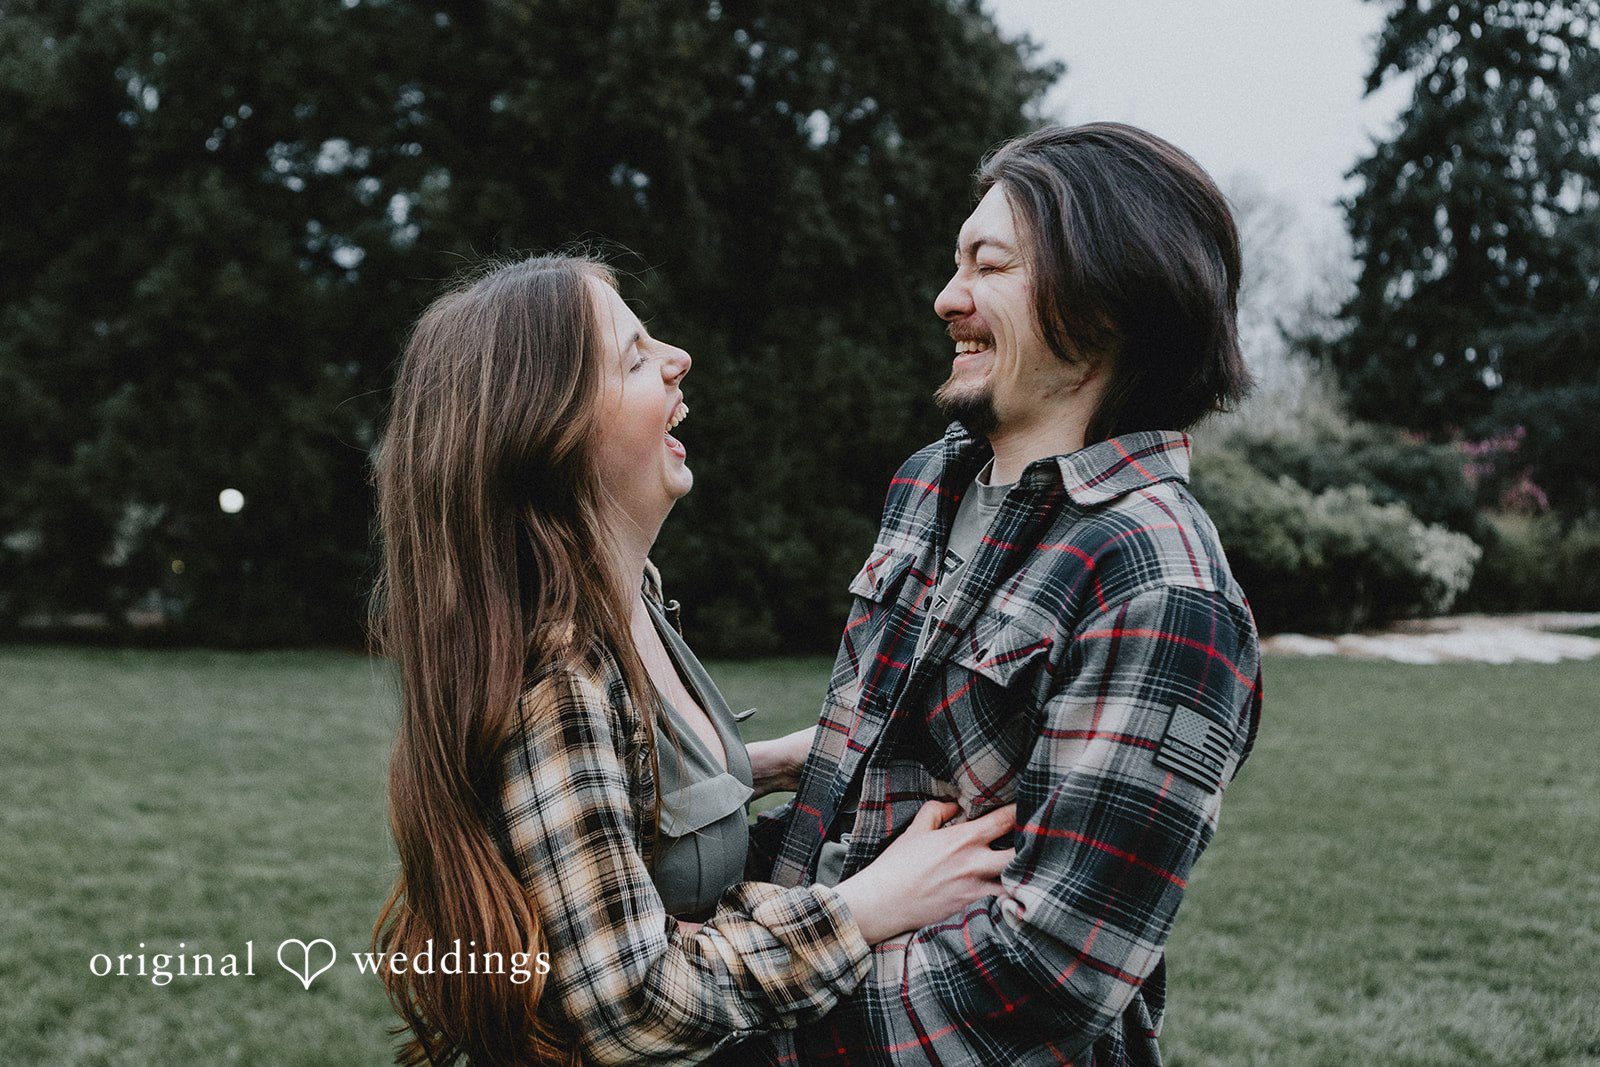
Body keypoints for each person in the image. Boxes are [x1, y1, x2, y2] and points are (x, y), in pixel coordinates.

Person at [368, 255, 1017, 1066]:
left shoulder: (632, 593)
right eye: (635, 358)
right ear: (550, 431)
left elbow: (613, 793)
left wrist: (766, 761)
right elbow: (632, 1003)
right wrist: (864, 906)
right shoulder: (558, 676)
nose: (678, 357)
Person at [740, 122, 1265, 1065]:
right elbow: (858, 807)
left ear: (1108, 299)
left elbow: (1047, 973)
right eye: (956, 264)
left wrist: (736, 1026)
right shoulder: (929, 485)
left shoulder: (1160, 581)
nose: (948, 298)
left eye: (989, 266)